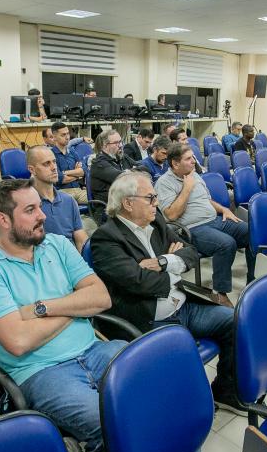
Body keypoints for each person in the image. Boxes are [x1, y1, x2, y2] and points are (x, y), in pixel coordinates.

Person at [0, 179, 208, 452]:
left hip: (93, 348)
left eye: (40, 207)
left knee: (167, 392)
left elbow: (101, 298)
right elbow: (17, 342)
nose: (43, 216)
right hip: (39, 370)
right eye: (30, 210)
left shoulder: (58, 246)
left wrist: (42, 307)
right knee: (109, 424)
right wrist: (76, 305)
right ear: (3, 220)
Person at [90, 170, 244, 413]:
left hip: (182, 304)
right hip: (149, 317)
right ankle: (185, 409)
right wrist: (173, 265)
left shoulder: (156, 221)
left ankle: (225, 391)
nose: (157, 203)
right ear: (128, 203)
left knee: (234, 321)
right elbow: (139, 282)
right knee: (182, 349)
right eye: (150, 198)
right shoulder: (106, 239)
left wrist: (163, 262)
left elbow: (190, 252)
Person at [156, 142, 253, 308]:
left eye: (193, 157)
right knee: (226, 244)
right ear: (175, 163)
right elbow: (171, 215)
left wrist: (224, 210)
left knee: (251, 232)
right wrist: (186, 188)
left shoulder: (193, 175)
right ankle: (219, 293)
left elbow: (206, 200)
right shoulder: (164, 183)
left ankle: (253, 278)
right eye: (188, 159)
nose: (193, 161)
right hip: (192, 229)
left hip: (215, 220)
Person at [27, 146, 88, 251]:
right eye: (46, 164)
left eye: (54, 162)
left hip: (71, 260)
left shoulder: (69, 201)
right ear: (32, 169)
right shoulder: (26, 205)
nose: (54, 167)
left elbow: (80, 239)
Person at [90, 130, 137, 222]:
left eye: (120, 141)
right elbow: (122, 177)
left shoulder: (121, 157)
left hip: (125, 202)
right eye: (116, 143)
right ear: (105, 145)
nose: (120, 145)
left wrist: (130, 172)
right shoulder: (99, 164)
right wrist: (131, 172)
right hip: (108, 207)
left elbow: (143, 167)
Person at [49, 121, 88, 204]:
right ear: (54, 137)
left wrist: (65, 172)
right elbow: (60, 179)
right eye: (63, 135)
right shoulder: (51, 155)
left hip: (79, 190)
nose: (67, 137)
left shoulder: (72, 152)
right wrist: (77, 175)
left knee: (99, 200)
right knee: (69, 205)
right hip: (63, 192)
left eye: (68, 134)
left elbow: (84, 171)